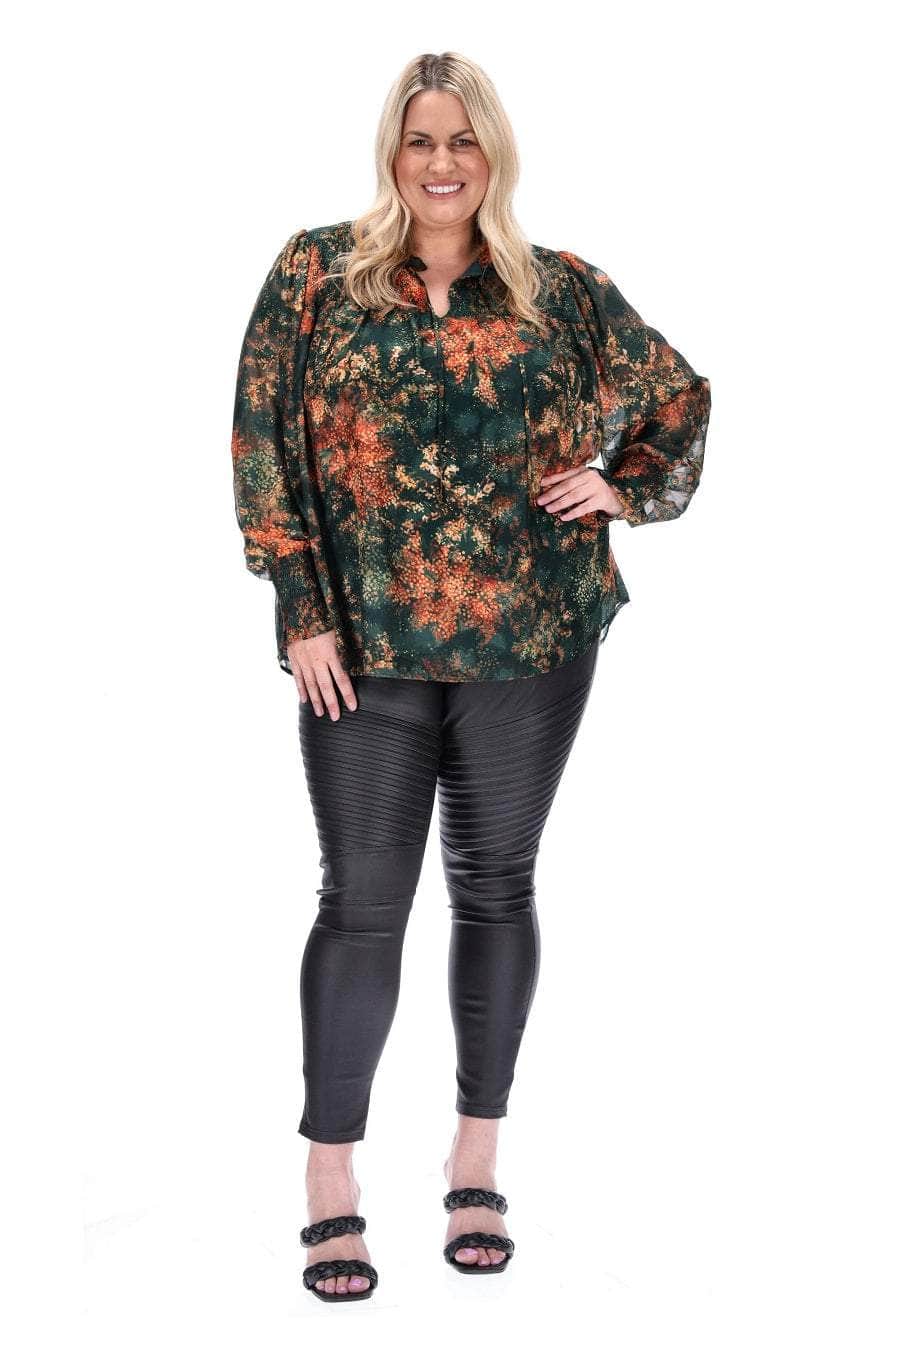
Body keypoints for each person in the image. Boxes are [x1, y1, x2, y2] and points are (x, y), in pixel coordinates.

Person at [230, 51, 711, 1302]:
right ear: (390, 151)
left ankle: (475, 1154)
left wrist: (622, 485)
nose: (441, 162)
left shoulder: (563, 290)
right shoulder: (314, 274)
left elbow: (678, 397)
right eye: (419, 138)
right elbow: (263, 446)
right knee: (361, 898)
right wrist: (302, 611)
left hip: (531, 640)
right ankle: (330, 1172)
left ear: (494, 151)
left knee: (496, 886)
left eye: (463, 139)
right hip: (364, 645)